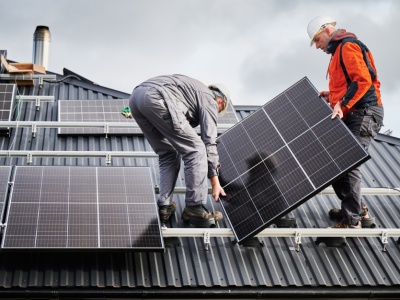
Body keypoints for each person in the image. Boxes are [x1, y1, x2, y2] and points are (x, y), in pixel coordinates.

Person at [307, 16, 384, 229]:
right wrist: (331, 96)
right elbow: (347, 85)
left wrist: (341, 104)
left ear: (327, 30)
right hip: (354, 112)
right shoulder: (337, 53)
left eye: (317, 40)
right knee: (335, 164)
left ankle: (352, 220)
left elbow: (362, 81)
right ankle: (357, 207)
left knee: (348, 161)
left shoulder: (348, 46)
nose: (317, 46)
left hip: (365, 112)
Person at [128, 74, 228, 228]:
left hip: (136, 99)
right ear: (220, 101)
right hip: (157, 97)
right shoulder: (209, 99)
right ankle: (194, 207)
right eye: (219, 110)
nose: (215, 113)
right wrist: (215, 181)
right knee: (196, 149)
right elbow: (209, 141)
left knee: (168, 152)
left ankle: (165, 205)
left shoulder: (190, 92)